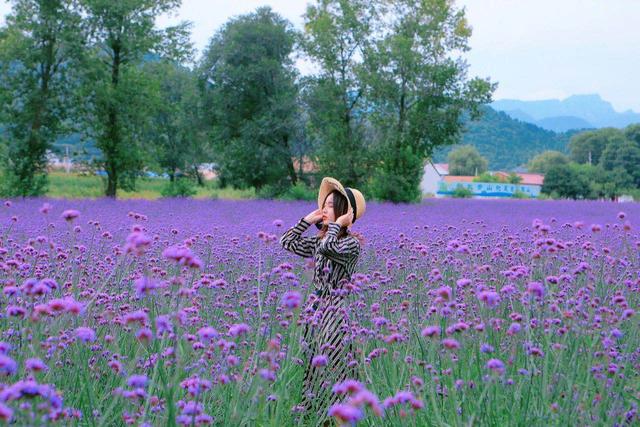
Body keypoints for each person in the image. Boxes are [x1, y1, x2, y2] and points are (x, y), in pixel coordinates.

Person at [280, 177, 366, 426]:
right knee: (312, 371)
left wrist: (337, 226)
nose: (324, 209)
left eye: (330, 205)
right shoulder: (321, 240)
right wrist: (307, 220)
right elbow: (287, 242)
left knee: (335, 370)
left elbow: (329, 248)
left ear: (344, 213)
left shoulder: (350, 244)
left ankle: (337, 419)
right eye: (325, 205)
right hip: (314, 313)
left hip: (336, 315)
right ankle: (314, 418)